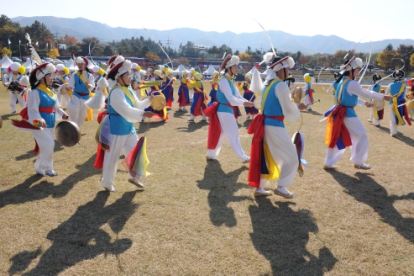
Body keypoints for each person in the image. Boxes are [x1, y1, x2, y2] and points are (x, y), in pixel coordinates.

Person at [247, 55, 307, 197]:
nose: (289, 71)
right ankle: (281, 186)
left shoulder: (269, 83)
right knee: (292, 157)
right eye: (287, 68)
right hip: (274, 125)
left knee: (272, 156)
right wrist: (299, 106)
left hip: (266, 124)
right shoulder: (280, 85)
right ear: (281, 69)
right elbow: (288, 109)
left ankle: (260, 188)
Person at [323, 57, 393, 170]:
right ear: (351, 70)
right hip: (347, 114)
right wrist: (383, 96)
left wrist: (364, 103)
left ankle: (328, 162)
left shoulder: (342, 81)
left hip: (340, 113)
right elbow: (366, 92)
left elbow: (349, 97)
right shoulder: (351, 83)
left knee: (338, 137)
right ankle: (358, 162)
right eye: (357, 69)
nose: (358, 71)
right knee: (361, 135)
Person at [98, 56, 154, 192]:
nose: (130, 77)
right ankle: (107, 182)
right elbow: (126, 110)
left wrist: (149, 100)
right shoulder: (116, 91)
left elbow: (137, 104)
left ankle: (134, 176)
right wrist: (143, 114)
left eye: (130, 74)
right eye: (127, 74)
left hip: (128, 127)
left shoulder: (128, 90)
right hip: (116, 128)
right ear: (118, 77)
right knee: (113, 157)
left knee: (135, 152)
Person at [12, 63, 68, 176]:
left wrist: (63, 114)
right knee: (49, 145)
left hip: (50, 122)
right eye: (49, 76)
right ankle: (39, 166)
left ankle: (48, 168)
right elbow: (33, 110)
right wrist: (38, 120)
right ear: (42, 78)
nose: (52, 78)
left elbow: (56, 106)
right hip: (39, 125)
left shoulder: (51, 91)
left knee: (45, 146)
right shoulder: (35, 92)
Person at [205, 54, 253, 163]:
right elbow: (231, 98)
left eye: (237, 66)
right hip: (224, 110)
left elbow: (237, 96)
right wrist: (244, 103)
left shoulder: (230, 80)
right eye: (235, 66)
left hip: (226, 110)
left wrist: (247, 102)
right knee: (234, 133)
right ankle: (243, 157)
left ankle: (211, 154)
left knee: (221, 132)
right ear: (229, 68)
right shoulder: (224, 81)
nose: (237, 68)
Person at [66, 56, 95, 129]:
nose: (80, 66)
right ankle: (73, 127)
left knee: (83, 115)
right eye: (78, 64)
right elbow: (71, 84)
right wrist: (69, 87)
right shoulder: (74, 75)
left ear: (85, 65)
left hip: (85, 96)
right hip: (76, 94)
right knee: (74, 110)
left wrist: (89, 85)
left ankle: (77, 128)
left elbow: (92, 86)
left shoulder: (89, 75)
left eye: (81, 64)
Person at [385, 69, 412, 137]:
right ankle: (396, 128)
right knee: (399, 116)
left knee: (392, 117)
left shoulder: (390, 85)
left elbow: (386, 94)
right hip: (400, 103)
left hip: (392, 102)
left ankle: (393, 132)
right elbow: (405, 96)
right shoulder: (404, 86)